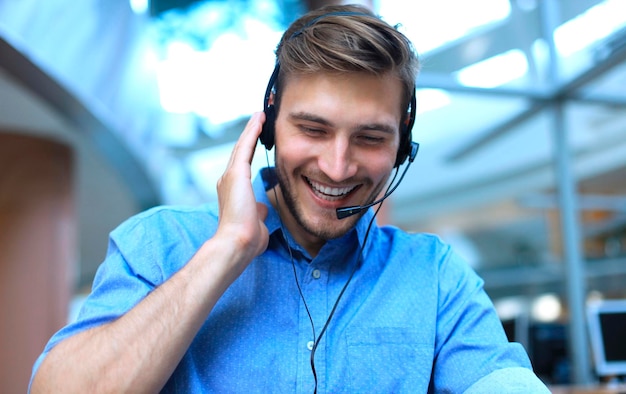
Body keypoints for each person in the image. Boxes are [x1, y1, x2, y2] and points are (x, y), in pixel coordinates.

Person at [30, 4, 550, 393]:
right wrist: (226, 249)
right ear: (268, 126)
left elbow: (499, 378)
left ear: (401, 148)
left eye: (370, 138)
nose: (337, 166)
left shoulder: (434, 276)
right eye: (313, 129)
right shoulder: (161, 243)